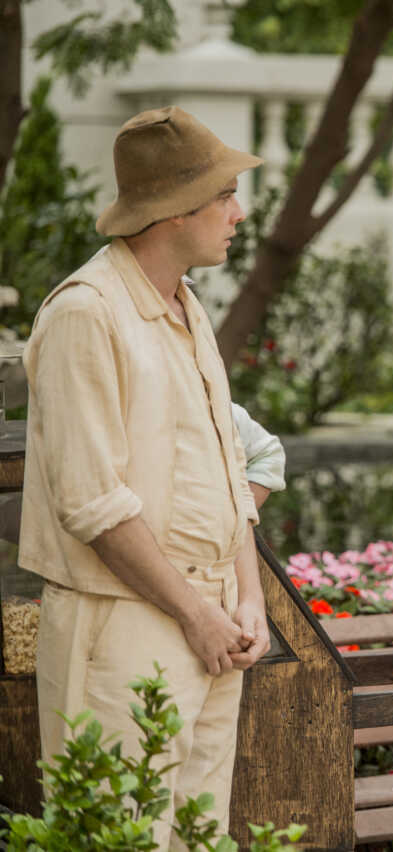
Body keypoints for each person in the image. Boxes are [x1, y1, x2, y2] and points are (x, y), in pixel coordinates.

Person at [22, 106, 269, 847]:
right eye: (224, 195)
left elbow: (229, 468)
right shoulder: (86, 314)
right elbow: (92, 504)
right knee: (121, 838)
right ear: (173, 212)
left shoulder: (185, 304)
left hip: (213, 622)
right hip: (125, 623)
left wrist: (247, 598)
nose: (239, 211)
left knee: (199, 839)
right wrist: (197, 613)